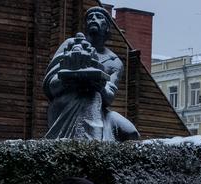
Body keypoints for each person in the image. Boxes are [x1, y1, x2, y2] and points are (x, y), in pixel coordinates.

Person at [43, 6, 140, 142]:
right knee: (91, 100)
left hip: (99, 108)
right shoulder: (71, 45)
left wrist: (98, 86)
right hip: (67, 102)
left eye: (99, 17)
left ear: (107, 27)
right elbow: (51, 86)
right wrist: (72, 76)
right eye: (90, 17)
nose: (93, 19)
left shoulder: (114, 62)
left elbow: (109, 97)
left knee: (130, 132)